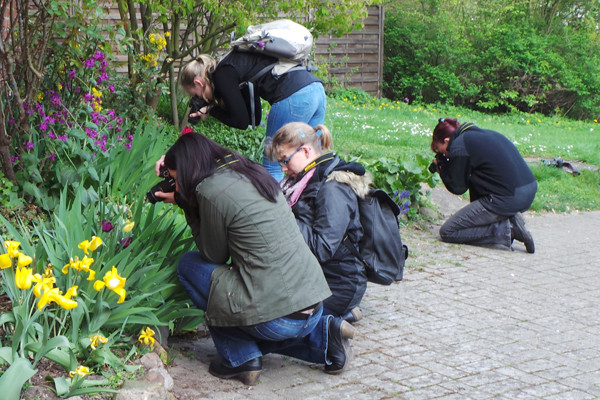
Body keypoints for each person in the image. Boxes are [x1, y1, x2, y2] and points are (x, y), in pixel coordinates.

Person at [159, 132, 356, 386]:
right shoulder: (249, 171)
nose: (176, 187)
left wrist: (186, 206)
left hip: (279, 319)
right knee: (259, 307)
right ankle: (325, 338)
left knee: (189, 266)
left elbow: (214, 256)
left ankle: (241, 357)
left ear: (186, 172)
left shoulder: (209, 191)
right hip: (313, 304)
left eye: (176, 180)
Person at [266, 122, 370, 324]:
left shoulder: (333, 189)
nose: (283, 168)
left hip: (336, 285)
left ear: (305, 151)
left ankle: (332, 325)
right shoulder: (302, 180)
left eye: (285, 160)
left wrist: (282, 214)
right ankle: (336, 318)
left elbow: (322, 249)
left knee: (271, 318)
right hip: (310, 278)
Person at [180, 53, 326, 181]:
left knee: (273, 163)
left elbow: (240, 122)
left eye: (195, 94)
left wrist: (211, 110)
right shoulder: (233, 65)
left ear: (198, 83)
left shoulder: (222, 76)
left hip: (292, 96)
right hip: (315, 89)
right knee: (312, 158)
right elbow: (253, 119)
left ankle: (274, 212)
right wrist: (211, 108)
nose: (199, 98)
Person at [429, 118, 537, 253]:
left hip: (508, 198)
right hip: (527, 190)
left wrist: (442, 169)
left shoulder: (459, 144)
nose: (445, 154)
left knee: (448, 231)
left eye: (442, 151)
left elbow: (458, 187)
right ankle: (511, 217)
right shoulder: (484, 135)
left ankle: (508, 230)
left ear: (447, 141)